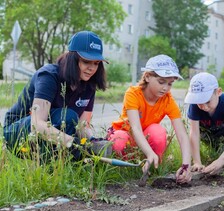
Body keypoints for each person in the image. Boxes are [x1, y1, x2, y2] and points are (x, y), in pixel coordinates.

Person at [3, 30, 111, 161]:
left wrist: (92, 142)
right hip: (17, 132)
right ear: (72, 58)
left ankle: (60, 165)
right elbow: (36, 124)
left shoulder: (89, 84)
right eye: (86, 61)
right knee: (68, 116)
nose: (92, 68)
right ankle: (48, 167)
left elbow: (83, 125)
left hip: (52, 135)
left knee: (71, 120)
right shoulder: (48, 76)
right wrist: (71, 142)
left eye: (96, 63)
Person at [107, 54, 192, 184]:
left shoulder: (168, 100)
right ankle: (124, 171)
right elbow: (135, 128)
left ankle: (152, 167)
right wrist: (149, 152)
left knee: (158, 132)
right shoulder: (133, 94)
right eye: (161, 82)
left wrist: (187, 165)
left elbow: (182, 134)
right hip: (127, 136)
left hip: (146, 139)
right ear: (147, 76)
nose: (165, 88)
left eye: (170, 84)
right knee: (119, 138)